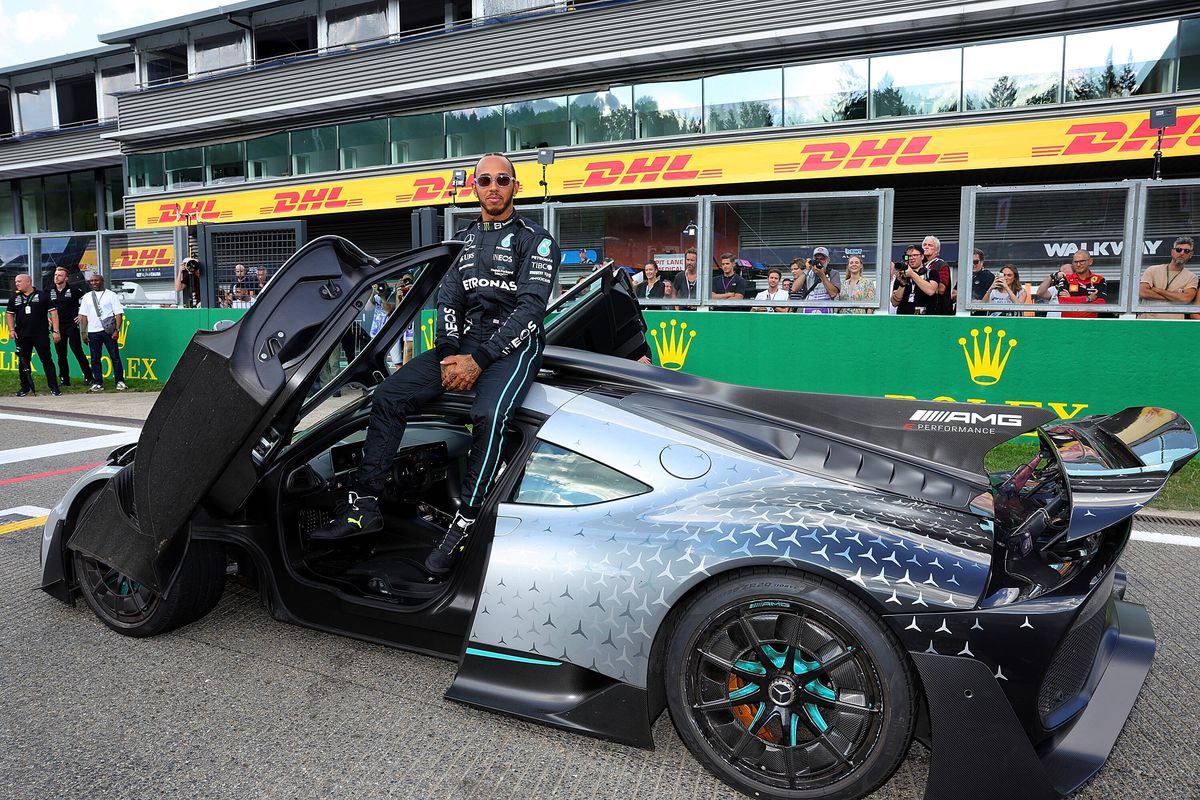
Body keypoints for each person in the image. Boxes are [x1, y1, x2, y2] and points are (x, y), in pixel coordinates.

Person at [311, 153, 561, 579]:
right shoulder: (462, 241)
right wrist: (449, 354)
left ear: (515, 187)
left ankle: (465, 523)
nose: (494, 186)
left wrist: (480, 360)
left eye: (503, 179)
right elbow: (448, 299)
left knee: (487, 414)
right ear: (475, 188)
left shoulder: (536, 240)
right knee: (389, 395)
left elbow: (531, 309)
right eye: (485, 180)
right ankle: (365, 505)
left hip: (514, 348)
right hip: (462, 343)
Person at [6, 274, 61, 397]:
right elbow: (9, 314)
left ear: (28, 282)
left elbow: (54, 313)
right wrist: (11, 330)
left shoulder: (42, 296)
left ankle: (54, 387)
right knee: (23, 362)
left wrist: (56, 331)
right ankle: (25, 387)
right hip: (22, 336)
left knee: (47, 361)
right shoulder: (15, 297)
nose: (17, 283)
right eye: (16, 281)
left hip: (40, 334)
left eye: (19, 281)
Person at [78, 271, 127, 392]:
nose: (94, 283)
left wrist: (117, 330)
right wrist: (83, 332)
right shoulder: (87, 296)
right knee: (95, 358)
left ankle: (120, 381)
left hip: (108, 331)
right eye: (92, 281)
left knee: (114, 356)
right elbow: (83, 316)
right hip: (93, 332)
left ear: (102, 281)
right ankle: (98, 382)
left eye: (96, 280)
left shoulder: (111, 295)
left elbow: (118, 314)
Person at [47, 267, 95, 387]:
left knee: (77, 351)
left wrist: (82, 314)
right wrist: (45, 317)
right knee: (61, 354)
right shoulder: (49, 290)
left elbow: (89, 299)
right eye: (55, 275)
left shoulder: (73, 289)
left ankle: (89, 377)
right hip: (57, 326)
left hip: (71, 325)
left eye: (60, 275)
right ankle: (64, 379)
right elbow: (42, 304)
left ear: (66, 278)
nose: (56, 277)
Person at [1138, 236, 1198, 319]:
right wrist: (1176, 296)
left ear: (1190, 255)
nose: (1182, 253)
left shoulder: (1192, 277)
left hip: (1173, 325)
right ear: (1172, 252)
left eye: (1186, 251)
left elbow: (1185, 299)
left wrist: (1158, 290)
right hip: (1147, 321)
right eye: (1178, 250)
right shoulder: (1152, 270)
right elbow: (1142, 292)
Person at [1036, 250, 1107, 318]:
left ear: (1090, 261)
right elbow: (1063, 301)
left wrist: (1072, 300)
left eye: (1082, 261)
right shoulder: (1066, 280)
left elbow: (1100, 303)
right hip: (1069, 324)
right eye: (1075, 262)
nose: (1078, 264)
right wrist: (1088, 298)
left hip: (1090, 323)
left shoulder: (1099, 279)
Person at [911, 236, 953, 314]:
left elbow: (941, 290)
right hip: (920, 309)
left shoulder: (941, 265)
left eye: (930, 245)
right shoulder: (919, 265)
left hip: (938, 311)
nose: (926, 247)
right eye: (924, 245)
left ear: (937, 250)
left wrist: (922, 281)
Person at [792, 246, 840, 313]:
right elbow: (794, 289)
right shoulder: (808, 273)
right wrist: (806, 270)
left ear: (828, 260)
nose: (819, 261)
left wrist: (822, 275)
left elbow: (833, 294)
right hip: (807, 309)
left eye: (822, 259)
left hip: (826, 310)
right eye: (816, 259)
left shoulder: (833, 273)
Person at [891, 246, 935, 315]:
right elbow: (894, 303)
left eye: (915, 255)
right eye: (908, 256)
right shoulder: (902, 275)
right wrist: (902, 284)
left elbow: (931, 291)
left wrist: (912, 274)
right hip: (903, 318)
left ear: (922, 257)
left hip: (925, 319)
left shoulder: (931, 273)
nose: (911, 258)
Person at [970, 248, 995, 315]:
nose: (973, 265)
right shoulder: (964, 276)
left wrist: (978, 302)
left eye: (975, 262)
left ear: (981, 262)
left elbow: (993, 298)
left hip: (981, 316)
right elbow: (954, 294)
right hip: (964, 315)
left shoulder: (988, 276)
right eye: (970, 262)